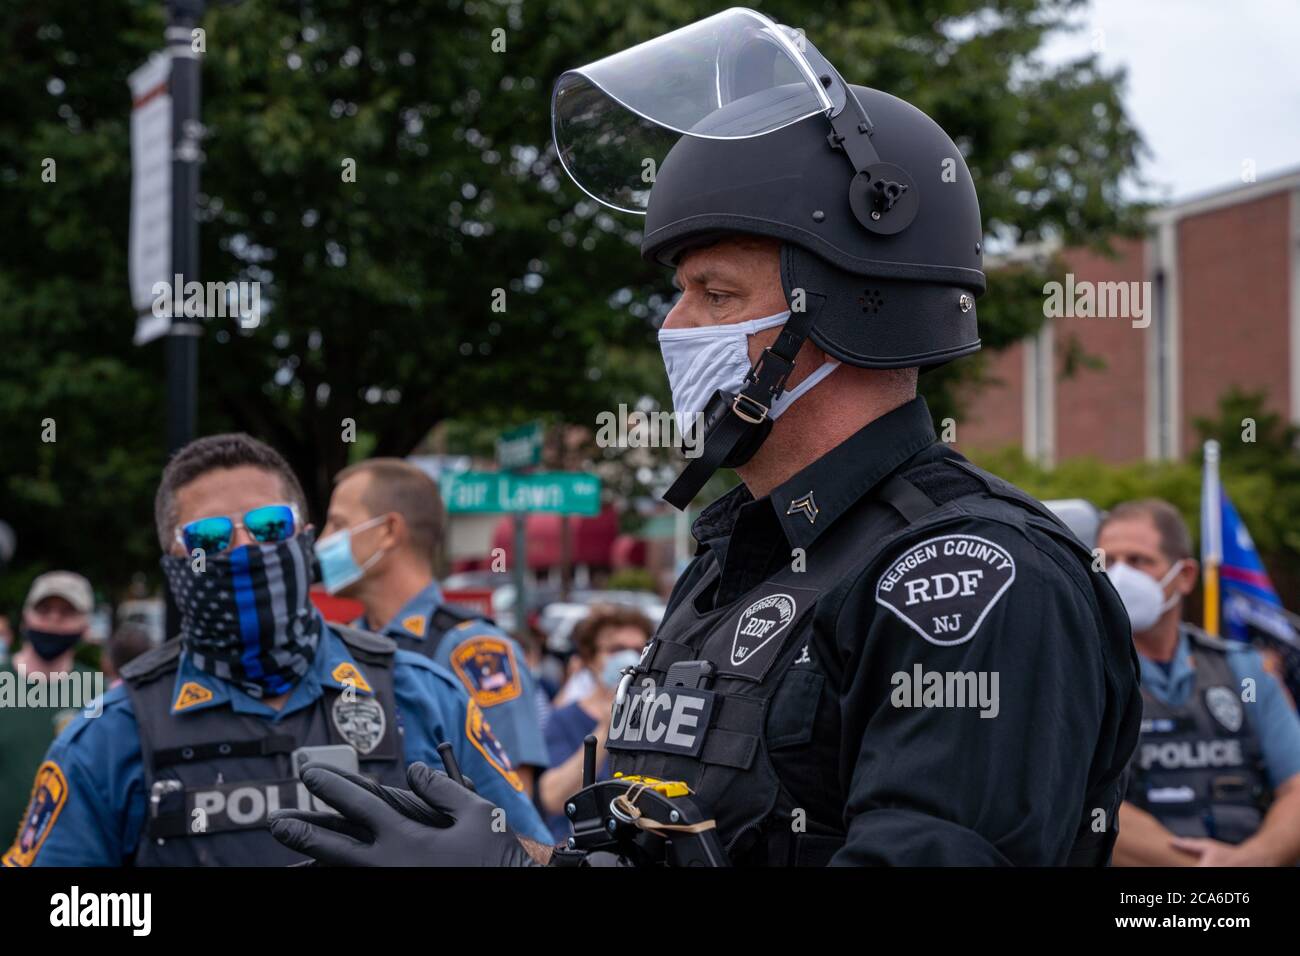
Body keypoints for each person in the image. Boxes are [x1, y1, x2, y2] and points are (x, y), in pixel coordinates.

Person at [270, 8, 1141, 867]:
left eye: (716, 296)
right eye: (680, 292)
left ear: (852, 308)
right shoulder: (731, 564)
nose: (674, 325)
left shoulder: (973, 581)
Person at [3, 433, 548, 867]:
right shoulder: (109, 735)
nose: (244, 548)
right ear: (175, 561)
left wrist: (490, 860)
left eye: (269, 526)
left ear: (303, 536)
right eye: (210, 539)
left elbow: (543, 855)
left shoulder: (425, 698)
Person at [317, 457, 549, 791]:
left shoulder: (474, 651)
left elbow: (509, 805)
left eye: (337, 525)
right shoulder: (344, 641)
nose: (322, 541)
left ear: (388, 531)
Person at [1098, 499, 1300, 866]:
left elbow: (1296, 787)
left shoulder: (1246, 669)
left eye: (1139, 561)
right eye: (1107, 562)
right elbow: (1083, 804)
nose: (1120, 576)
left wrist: (1255, 857)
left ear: (1186, 575)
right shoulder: (1085, 675)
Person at [536, 605, 652, 839]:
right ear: (590, 658)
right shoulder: (563, 719)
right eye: (617, 649)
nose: (630, 659)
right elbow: (552, 798)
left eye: (639, 650)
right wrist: (607, 728)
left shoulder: (656, 719)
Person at [0, 572, 97, 842]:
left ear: (85, 624)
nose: (54, 619)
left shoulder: (99, 693)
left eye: (67, 612)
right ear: (25, 617)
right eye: (44, 609)